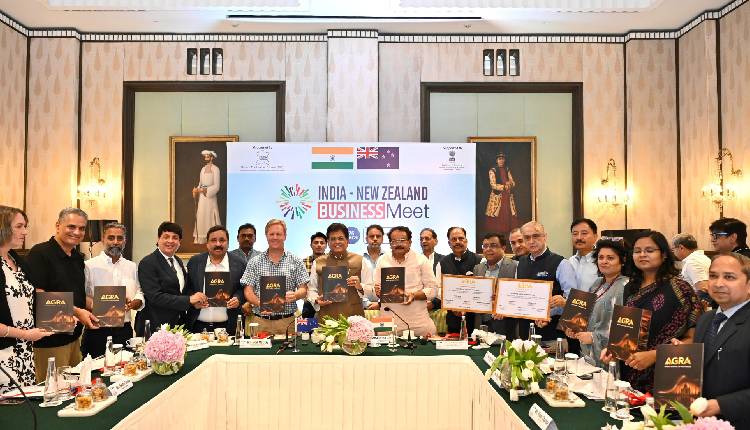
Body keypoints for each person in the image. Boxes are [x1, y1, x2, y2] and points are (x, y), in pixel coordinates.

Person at [602, 230, 702, 394]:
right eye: (637, 251)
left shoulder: (680, 288)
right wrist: (614, 350)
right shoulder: (630, 288)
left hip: (668, 375)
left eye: (649, 250)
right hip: (630, 372)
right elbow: (626, 331)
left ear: (664, 255)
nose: (642, 255)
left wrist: (655, 355)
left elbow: (694, 338)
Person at [26, 208, 99, 381]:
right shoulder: (40, 253)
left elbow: (79, 296)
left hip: (74, 337)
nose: (77, 232)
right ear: (58, 226)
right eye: (71, 226)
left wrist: (107, 306)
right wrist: (77, 312)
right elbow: (39, 295)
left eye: (82, 228)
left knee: (75, 387)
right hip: (50, 339)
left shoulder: (78, 257)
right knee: (53, 389)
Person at [693, 253, 750, 428]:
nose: (718, 283)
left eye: (729, 277)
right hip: (702, 421)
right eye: (713, 276)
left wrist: (721, 405)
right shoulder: (706, 319)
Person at [0, 206, 52, 393]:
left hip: (25, 350)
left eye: (25, 226)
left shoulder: (16, 259)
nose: (25, 232)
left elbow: (31, 295)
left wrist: (64, 313)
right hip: (4, 352)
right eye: (19, 226)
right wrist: (24, 334)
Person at [82, 222, 144, 358]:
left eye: (120, 238)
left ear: (125, 241)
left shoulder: (131, 266)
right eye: (111, 238)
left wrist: (135, 302)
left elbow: (139, 291)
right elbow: (81, 295)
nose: (115, 242)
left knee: (125, 366)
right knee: (96, 368)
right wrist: (101, 304)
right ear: (103, 239)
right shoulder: (89, 266)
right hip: (97, 329)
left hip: (124, 329)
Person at [565, 239, 629, 367]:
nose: (604, 261)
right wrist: (574, 328)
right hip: (588, 353)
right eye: (601, 257)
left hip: (609, 357)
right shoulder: (597, 283)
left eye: (610, 258)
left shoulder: (625, 286)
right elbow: (584, 314)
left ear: (622, 261)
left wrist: (594, 337)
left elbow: (625, 329)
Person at [136, 222, 207, 335]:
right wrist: (189, 300)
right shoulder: (148, 263)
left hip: (177, 325)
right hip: (155, 326)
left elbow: (179, 292)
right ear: (158, 239)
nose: (170, 241)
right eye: (166, 237)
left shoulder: (178, 261)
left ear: (179, 242)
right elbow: (155, 296)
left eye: (175, 237)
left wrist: (193, 303)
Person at [241, 219, 309, 335]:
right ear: (266, 236)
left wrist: (296, 295)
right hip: (260, 322)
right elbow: (248, 291)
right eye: (271, 234)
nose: (275, 237)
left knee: (290, 348)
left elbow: (303, 289)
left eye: (278, 234)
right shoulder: (254, 262)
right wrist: (259, 303)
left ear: (285, 236)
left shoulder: (296, 261)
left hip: (287, 322)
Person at [516, 221, 577, 341]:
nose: (531, 241)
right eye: (527, 237)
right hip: (525, 333)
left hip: (552, 334)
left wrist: (551, 311)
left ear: (545, 237)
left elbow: (573, 301)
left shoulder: (562, 263)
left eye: (536, 236)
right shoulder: (521, 263)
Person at [374, 226, 437, 337]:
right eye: (394, 241)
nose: (399, 244)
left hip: (418, 323)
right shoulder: (382, 260)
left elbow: (433, 290)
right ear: (390, 244)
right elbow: (376, 287)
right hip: (388, 322)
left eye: (402, 240)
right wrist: (377, 291)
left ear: (410, 242)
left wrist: (413, 295)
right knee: (381, 347)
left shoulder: (421, 260)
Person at [186, 225, 244, 333]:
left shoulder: (239, 263)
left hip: (229, 327)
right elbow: (187, 288)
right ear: (207, 244)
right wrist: (193, 301)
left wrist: (238, 298)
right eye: (213, 240)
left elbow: (243, 288)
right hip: (197, 326)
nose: (218, 244)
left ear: (228, 243)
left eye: (222, 240)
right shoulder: (194, 262)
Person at [307, 223, 365, 319]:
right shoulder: (318, 262)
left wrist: (360, 287)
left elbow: (371, 290)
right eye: (333, 239)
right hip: (326, 317)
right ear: (328, 242)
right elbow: (311, 289)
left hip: (353, 317)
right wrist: (316, 300)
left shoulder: (360, 260)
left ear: (347, 241)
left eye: (340, 238)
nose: (337, 242)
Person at [473, 233, 517, 335]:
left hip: (506, 324)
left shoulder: (515, 266)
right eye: (485, 246)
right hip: (481, 323)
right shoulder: (478, 268)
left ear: (503, 248)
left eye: (493, 245)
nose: (488, 249)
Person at [439, 227, 481, 334]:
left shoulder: (479, 260)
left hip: (475, 318)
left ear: (466, 241)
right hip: (453, 318)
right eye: (454, 239)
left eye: (461, 238)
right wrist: (452, 306)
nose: (457, 242)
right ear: (449, 243)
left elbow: (482, 289)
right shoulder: (443, 262)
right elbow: (440, 288)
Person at [484, 152, 519, 235]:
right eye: (499, 159)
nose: (501, 161)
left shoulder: (507, 169)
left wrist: (510, 184)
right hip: (498, 195)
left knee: (508, 211)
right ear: (496, 160)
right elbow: (493, 185)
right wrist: (503, 187)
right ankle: (498, 230)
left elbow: (513, 181)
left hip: (507, 195)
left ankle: (507, 229)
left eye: (503, 159)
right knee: (497, 212)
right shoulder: (493, 170)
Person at [192, 150, 221, 245]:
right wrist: (196, 190)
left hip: (210, 197)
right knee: (201, 214)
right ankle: (201, 237)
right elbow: (200, 183)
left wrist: (205, 191)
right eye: (205, 157)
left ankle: (213, 237)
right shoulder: (203, 169)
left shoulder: (216, 169)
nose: (206, 158)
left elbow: (216, 186)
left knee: (210, 215)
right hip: (202, 198)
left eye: (208, 156)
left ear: (212, 157)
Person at [569, 218, 599, 296]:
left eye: (584, 233)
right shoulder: (570, 261)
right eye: (575, 234)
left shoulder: (601, 262)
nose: (579, 237)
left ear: (595, 236)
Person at [361, 224, 384, 310]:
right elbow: (354, 286)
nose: (375, 239)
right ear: (366, 238)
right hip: (361, 307)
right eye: (371, 236)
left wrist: (380, 304)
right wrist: (367, 304)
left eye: (378, 236)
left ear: (382, 238)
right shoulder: (358, 258)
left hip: (385, 307)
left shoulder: (389, 258)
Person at [420, 228, 443, 311]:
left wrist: (434, 303)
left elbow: (445, 286)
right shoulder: (415, 260)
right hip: (418, 305)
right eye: (421, 239)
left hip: (438, 306)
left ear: (436, 241)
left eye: (427, 238)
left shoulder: (444, 260)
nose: (423, 241)